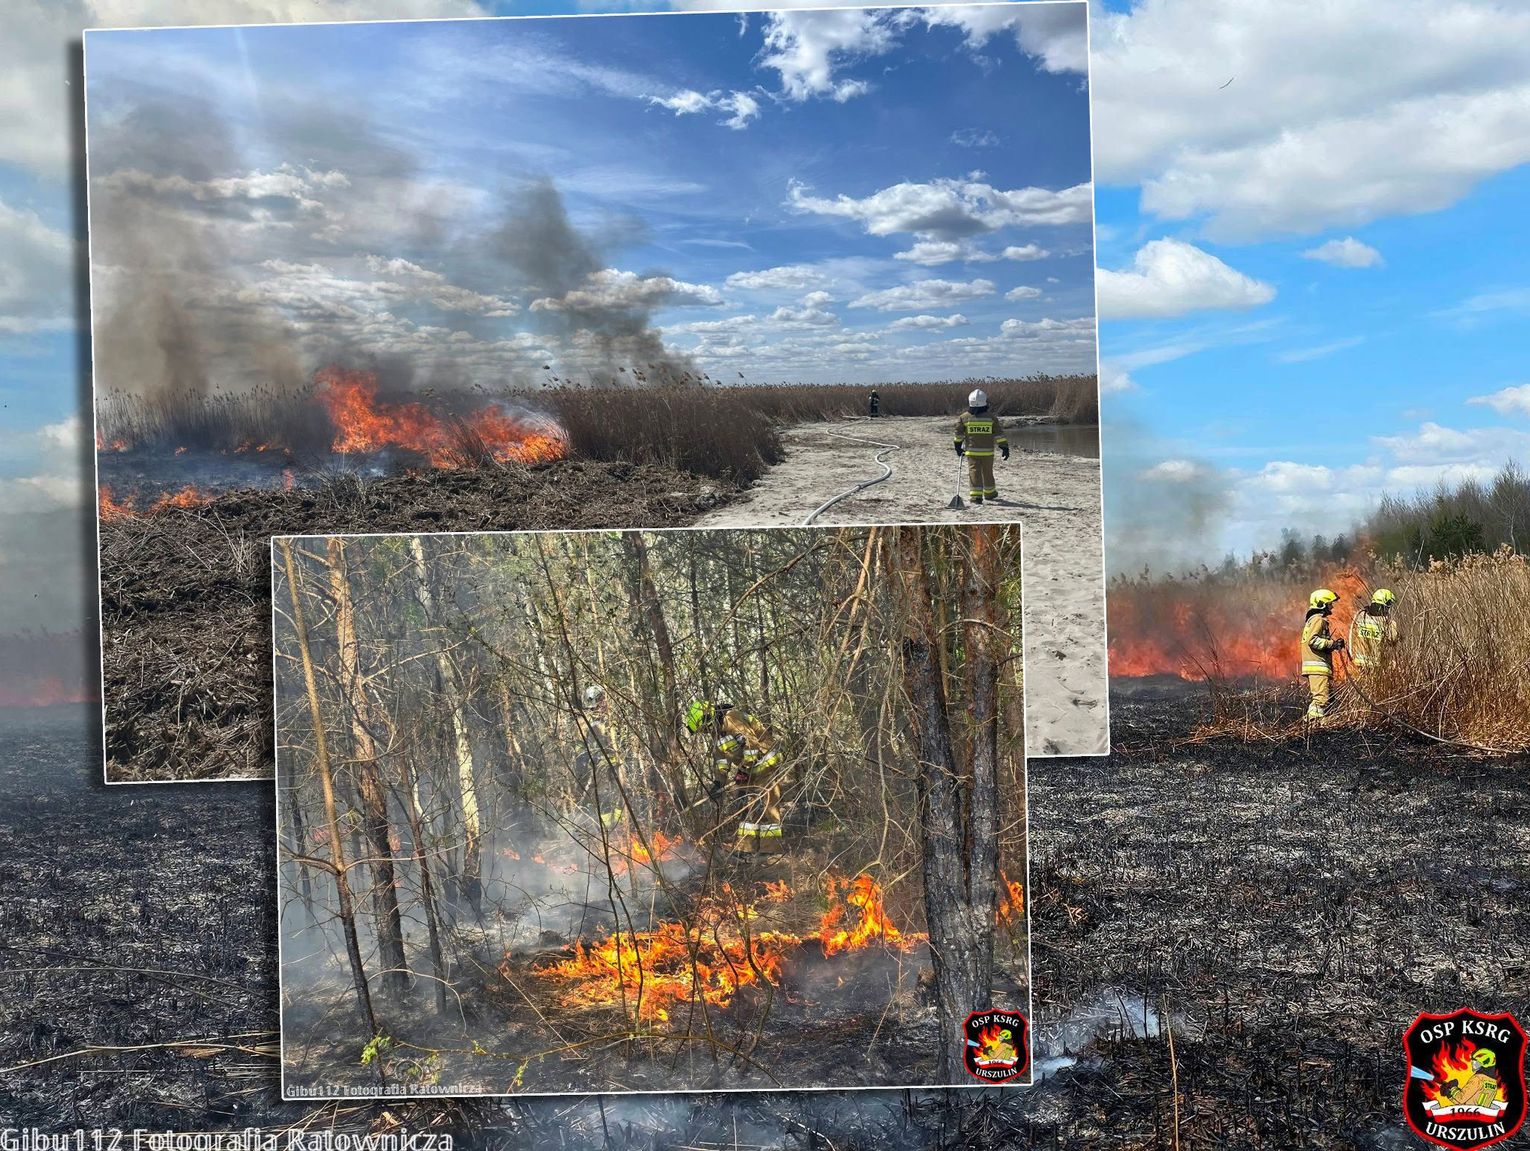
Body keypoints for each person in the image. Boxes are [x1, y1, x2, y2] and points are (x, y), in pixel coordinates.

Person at [684, 699, 785, 856]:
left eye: (704, 728)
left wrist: (743, 770)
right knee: (746, 808)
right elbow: (721, 761)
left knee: (768, 807)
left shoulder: (732, 719)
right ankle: (746, 848)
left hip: (766, 765)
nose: (705, 732)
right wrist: (718, 783)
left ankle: (770, 851)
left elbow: (751, 745)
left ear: (708, 719)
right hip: (748, 770)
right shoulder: (717, 733)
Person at [573, 684, 626, 837]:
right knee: (604, 797)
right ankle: (608, 830)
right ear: (595, 700)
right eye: (601, 699)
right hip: (598, 765)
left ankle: (621, 825)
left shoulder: (610, 718)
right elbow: (579, 746)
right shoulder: (584, 722)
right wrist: (587, 761)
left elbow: (620, 738)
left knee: (621, 793)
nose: (604, 702)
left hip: (616, 762)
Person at [954, 388, 1009, 505]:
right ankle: (990, 493)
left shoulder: (964, 417)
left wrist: (957, 447)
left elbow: (958, 434)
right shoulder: (991, 418)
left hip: (971, 452)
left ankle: (976, 497)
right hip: (988, 452)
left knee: (974, 472)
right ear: (985, 402)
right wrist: (1004, 447)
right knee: (987, 472)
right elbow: (999, 434)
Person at [1300, 589, 1345, 723]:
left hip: (1318, 665)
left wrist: (1334, 645)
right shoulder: (1318, 620)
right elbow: (1312, 641)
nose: (1332, 606)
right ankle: (1311, 722)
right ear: (1321, 604)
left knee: (1328, 697)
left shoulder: (1314, 620)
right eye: (1329, 603)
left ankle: (1320, 722)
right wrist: (1332, 644)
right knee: (1321, 699)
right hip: (1317, 666)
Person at [1349, 588, 1398, 670]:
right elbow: (1393, 641)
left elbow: (1351, 637)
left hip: (1358, 664)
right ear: (1385, 603)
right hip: (1377, 665)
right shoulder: (1388, 623)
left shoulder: (1360, 616)